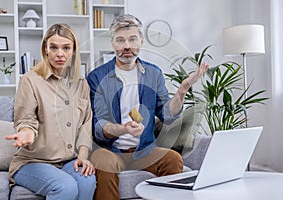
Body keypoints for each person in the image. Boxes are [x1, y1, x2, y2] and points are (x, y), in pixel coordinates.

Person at [87, 14, 209, 200]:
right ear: (112, 43)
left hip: (143, 150)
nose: (127, 46)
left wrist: (182, 91)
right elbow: (98, 125)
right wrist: (122, 129)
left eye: (132, 39)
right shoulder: (97, 77)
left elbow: (167, 115)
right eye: (120, 40)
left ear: (141, 41)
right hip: (109, 150)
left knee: (173, 159)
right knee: (104, 163)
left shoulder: (153, 73)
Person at [5, 23, 96, 200]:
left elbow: (86, 124)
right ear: (45, 50)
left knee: (87, 180)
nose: (60, 53)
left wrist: (83, 157)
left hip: (68, 161)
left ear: (74, 51)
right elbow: (26, 119)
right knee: (66, 187)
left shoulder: (81, 83)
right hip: (32, 162)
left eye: (66, 47)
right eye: (53, 47)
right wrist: (26, 132)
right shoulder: (30, 80)